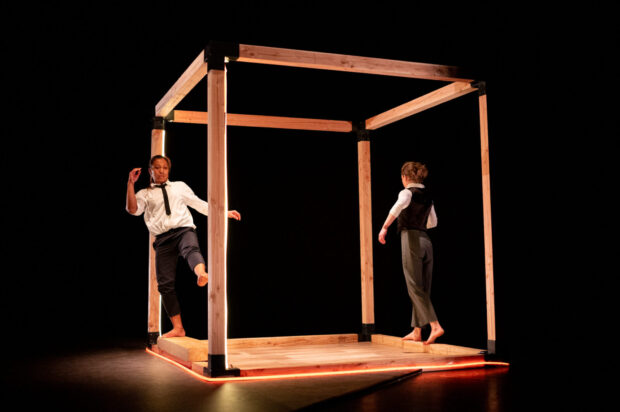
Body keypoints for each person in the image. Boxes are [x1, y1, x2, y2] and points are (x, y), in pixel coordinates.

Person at [126, 155, 241, 338]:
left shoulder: (179, 186)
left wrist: (223, 212)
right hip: (162, 239)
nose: (161, 171)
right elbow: (132, 210)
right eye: (157, 168)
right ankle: (178, 328)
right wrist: (131, 184)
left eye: (165, 168)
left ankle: (201, 274)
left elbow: (199, 204)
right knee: (165, 284)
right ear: (150, 171)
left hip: (183, 230)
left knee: (191, 250)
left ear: (169, 170)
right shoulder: (144, 193)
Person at [378, 161, 444, 345]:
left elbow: (397, 207)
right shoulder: (428, 196)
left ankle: (435, 326)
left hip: (411, 239)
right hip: (426, 241)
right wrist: (420, 223)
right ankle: (417, 331)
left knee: (414, 286)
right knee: (423, 287)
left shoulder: (406, 192)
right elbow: (433, 222)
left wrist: (384, 227)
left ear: (405, 177)